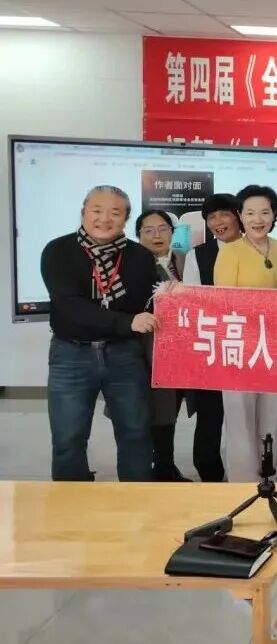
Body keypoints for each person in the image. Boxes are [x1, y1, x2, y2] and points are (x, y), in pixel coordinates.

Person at [41, 185, 159, 481]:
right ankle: (72, 502)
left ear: (126, 219)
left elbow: (148, 305)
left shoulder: (140, 257)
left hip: (125, 354)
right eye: (96, 210)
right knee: (68, 439)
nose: (104, 219)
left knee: (136, 434)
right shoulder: (58, 251)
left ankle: (137, 501)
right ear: (83, 212)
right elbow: (70, 306)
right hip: (71, 354)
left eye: (115, 213)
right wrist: (127, 322)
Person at [214, 184, 277, 482]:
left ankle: (272, 478)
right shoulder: (230, 252)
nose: (258, 219)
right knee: (241, 419)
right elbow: (223, 303)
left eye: (265, 212)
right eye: (250, 213)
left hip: (276, 346)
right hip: (239, 347)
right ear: (240, 216)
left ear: (274, 215)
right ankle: (243, 482)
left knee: (273, 416)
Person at [181, 193, 243, 482]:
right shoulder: (198, 255)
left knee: (244, 416)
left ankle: (246, 469)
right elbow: (191, 301)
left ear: (238, 216)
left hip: (250, 347)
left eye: (224, 214)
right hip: (213, 347)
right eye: (211, 217)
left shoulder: (259, 249)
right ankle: (209, 472)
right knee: (210, 414)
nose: (218, 222)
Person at [134, 209, 190, 482]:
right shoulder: (133, 264)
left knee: (169, 411)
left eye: (163, 229)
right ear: (138, 236)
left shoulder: (184, 259)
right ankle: (156, 469)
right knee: (154, 413)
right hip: (147, 350)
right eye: (148, 230)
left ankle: (165, 466)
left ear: (172, 232)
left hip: (181, 351)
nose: (156, 235)